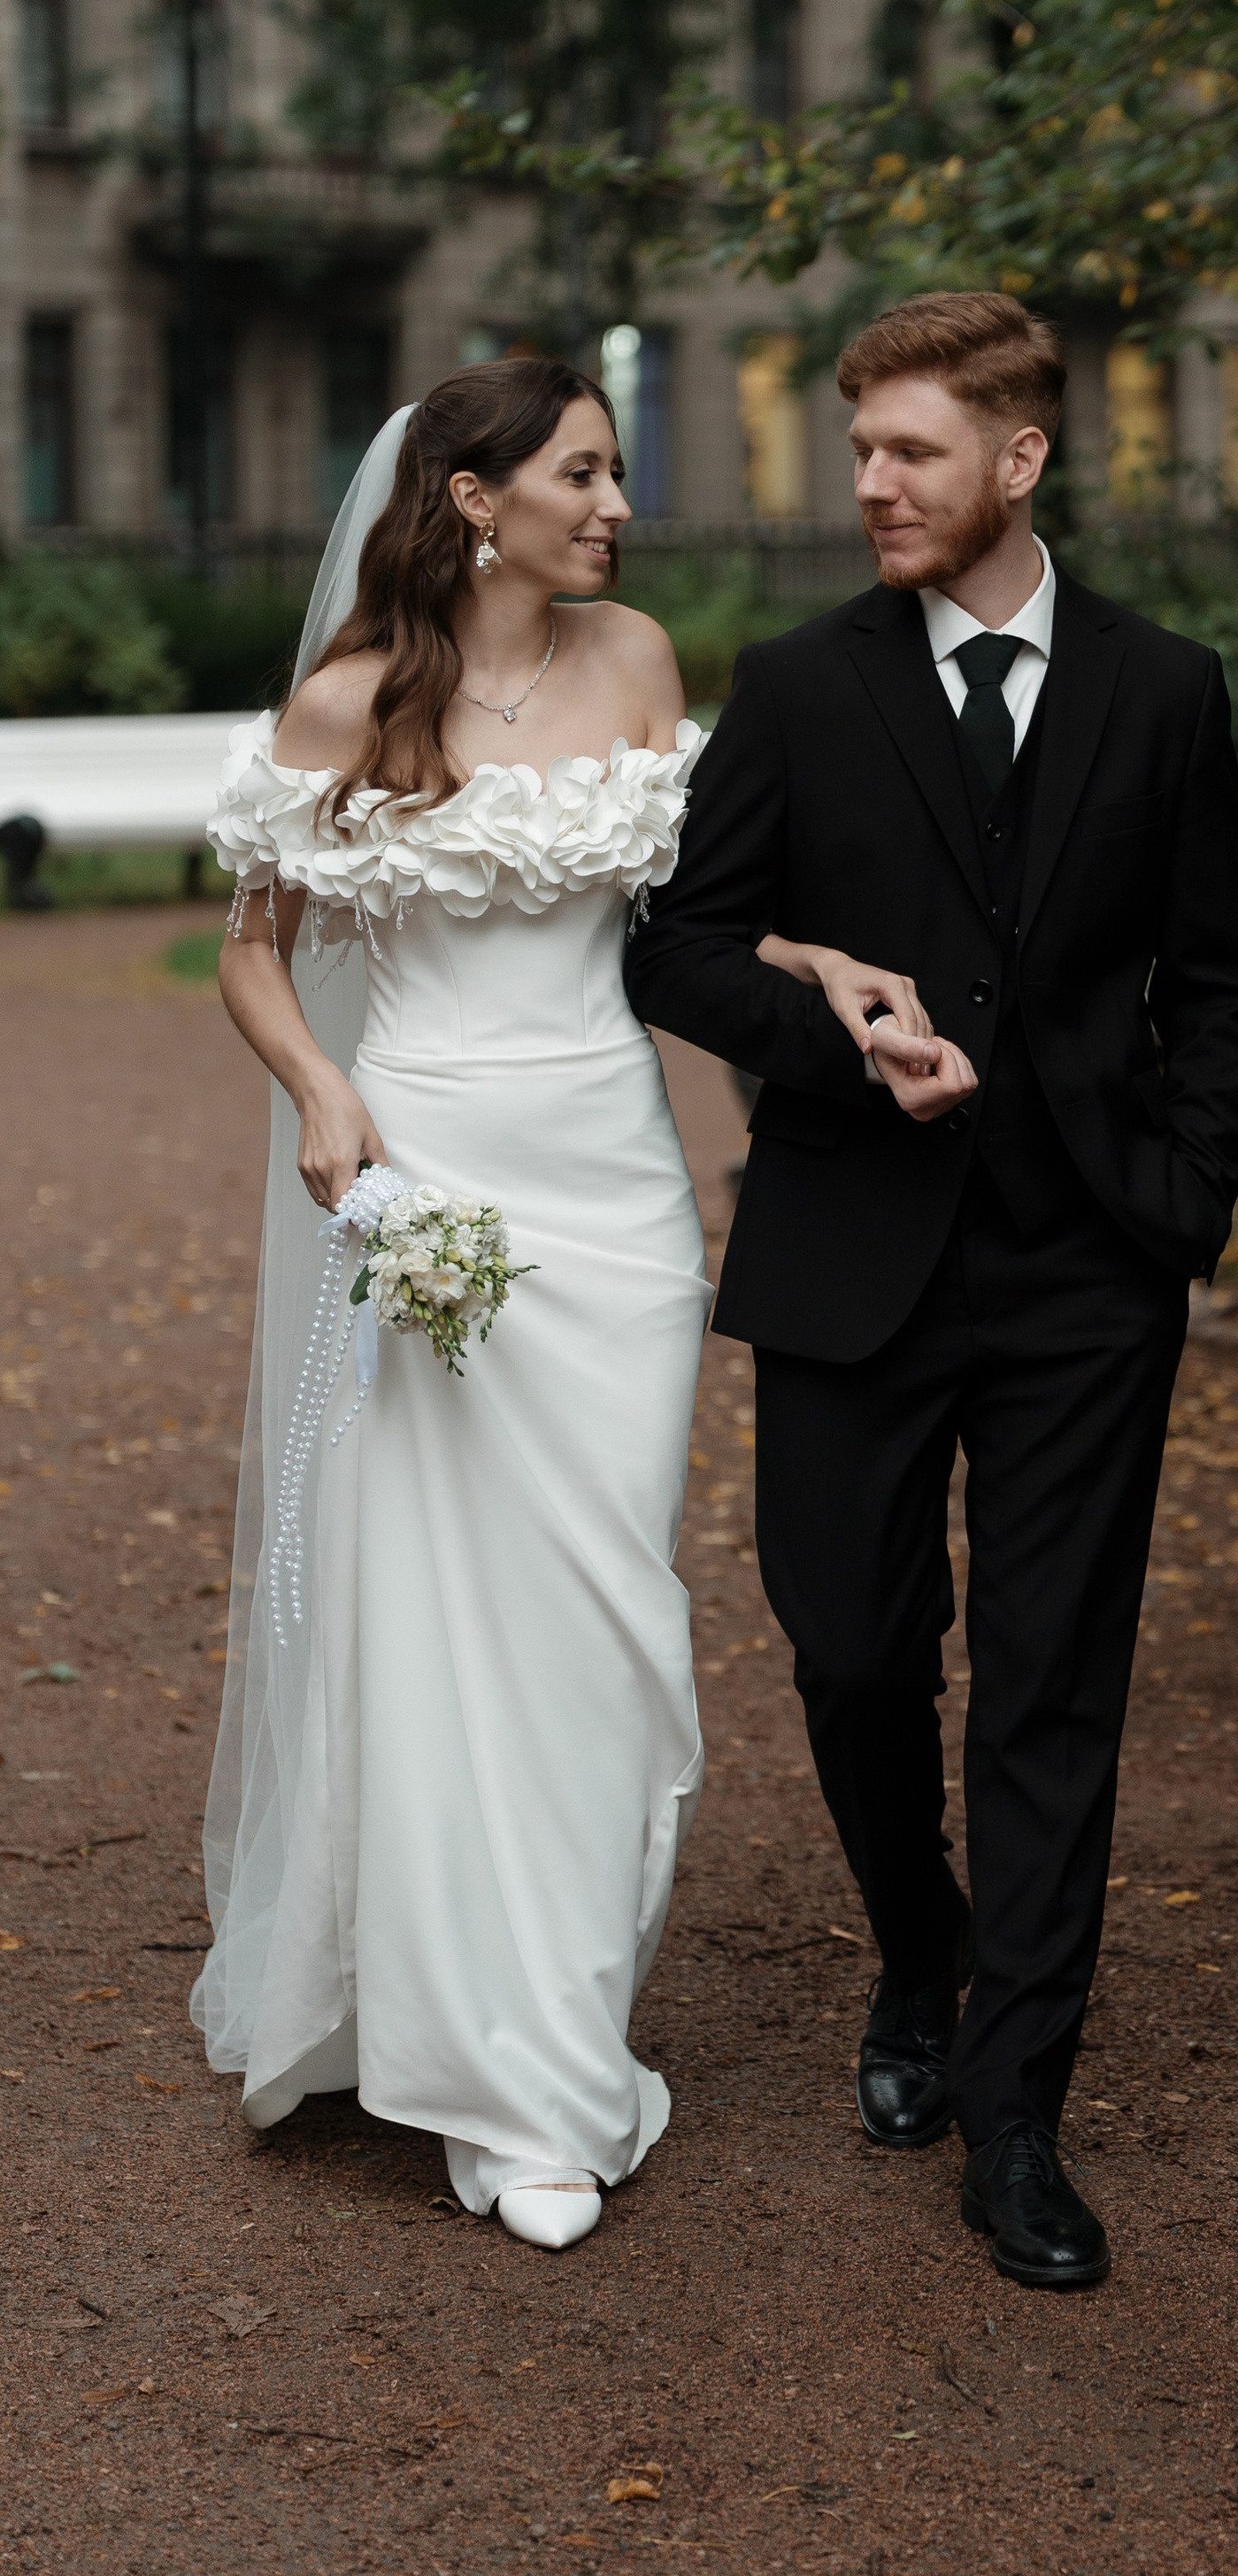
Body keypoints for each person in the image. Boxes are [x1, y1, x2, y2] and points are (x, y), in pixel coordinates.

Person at [194, 358, 915, 2251]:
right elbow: (253, 959)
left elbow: (681, 918)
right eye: (583, 472)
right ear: (468, 499)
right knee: (447, 1615)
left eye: (613, 472)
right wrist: (326, 1099)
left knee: (604, 1614)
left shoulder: (638, 661)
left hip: (612, 1193)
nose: (615, 503)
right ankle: (506, 2082)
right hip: (432, 1171)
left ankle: (557, 2012)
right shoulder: (344, 705)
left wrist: (817, 956)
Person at [625, 288, 1238, 2291]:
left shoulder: (1163, 692)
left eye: (909, 450)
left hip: (1086, 1266)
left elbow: (1218, 977)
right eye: (863, 448)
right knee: (845, 1648)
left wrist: (1171, 1197)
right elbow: (681, 950)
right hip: (852, 1249)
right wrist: (842, 1040)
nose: (869, 484)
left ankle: (1015, 2114)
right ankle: (922, 1946)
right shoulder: (800, 688)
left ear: (1018, 461)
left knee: (1052, 1686)